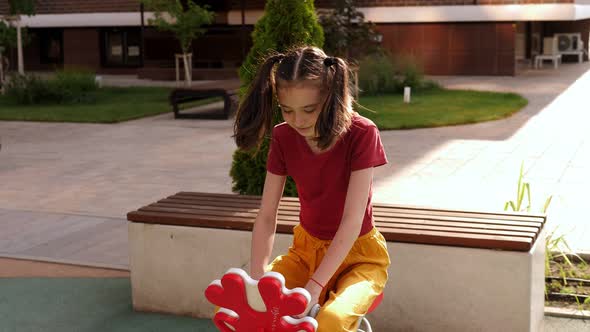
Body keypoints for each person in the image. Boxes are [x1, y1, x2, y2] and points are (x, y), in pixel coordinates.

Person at [232, 45, 390, 332]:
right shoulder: (283, 136)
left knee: (330, 321)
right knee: (241, 307)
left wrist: (314, 287)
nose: (298, 120)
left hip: (359, 258)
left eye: (309, 109)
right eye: (287, 110)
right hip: (304, 254)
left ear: (331, 97)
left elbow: (351, 221)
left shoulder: (362, 133)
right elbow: (267, 215)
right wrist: (257, 280)